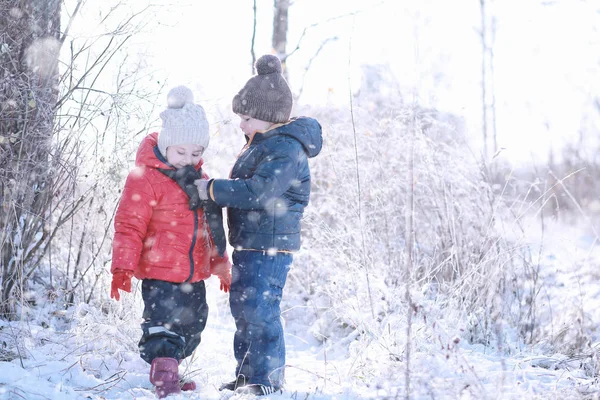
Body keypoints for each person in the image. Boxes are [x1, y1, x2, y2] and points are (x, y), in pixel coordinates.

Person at [194, 54, 323, 396]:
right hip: (251, 243)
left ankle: (267, 381)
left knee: (261, 311)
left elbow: (259, 192)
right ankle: (247, 374)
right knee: (245, 309)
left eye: (246, 118)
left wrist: (213, 189)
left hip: (271, 245)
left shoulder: (286, 149)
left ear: (267, 118)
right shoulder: (262, 144)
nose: (241, 125)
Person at [109, 85, 231, 398]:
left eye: (196, 153)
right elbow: (129, 225)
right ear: (165, 145)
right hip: (158, 270)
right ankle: (164, 373)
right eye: (181, 152)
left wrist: (219, 262)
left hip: (193, 274)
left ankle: (172, 365)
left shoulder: (200, 181)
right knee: (162, 325)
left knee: (193, 327)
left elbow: (211, 225)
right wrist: (122, 267)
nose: (188, 159)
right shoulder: (145, 177)